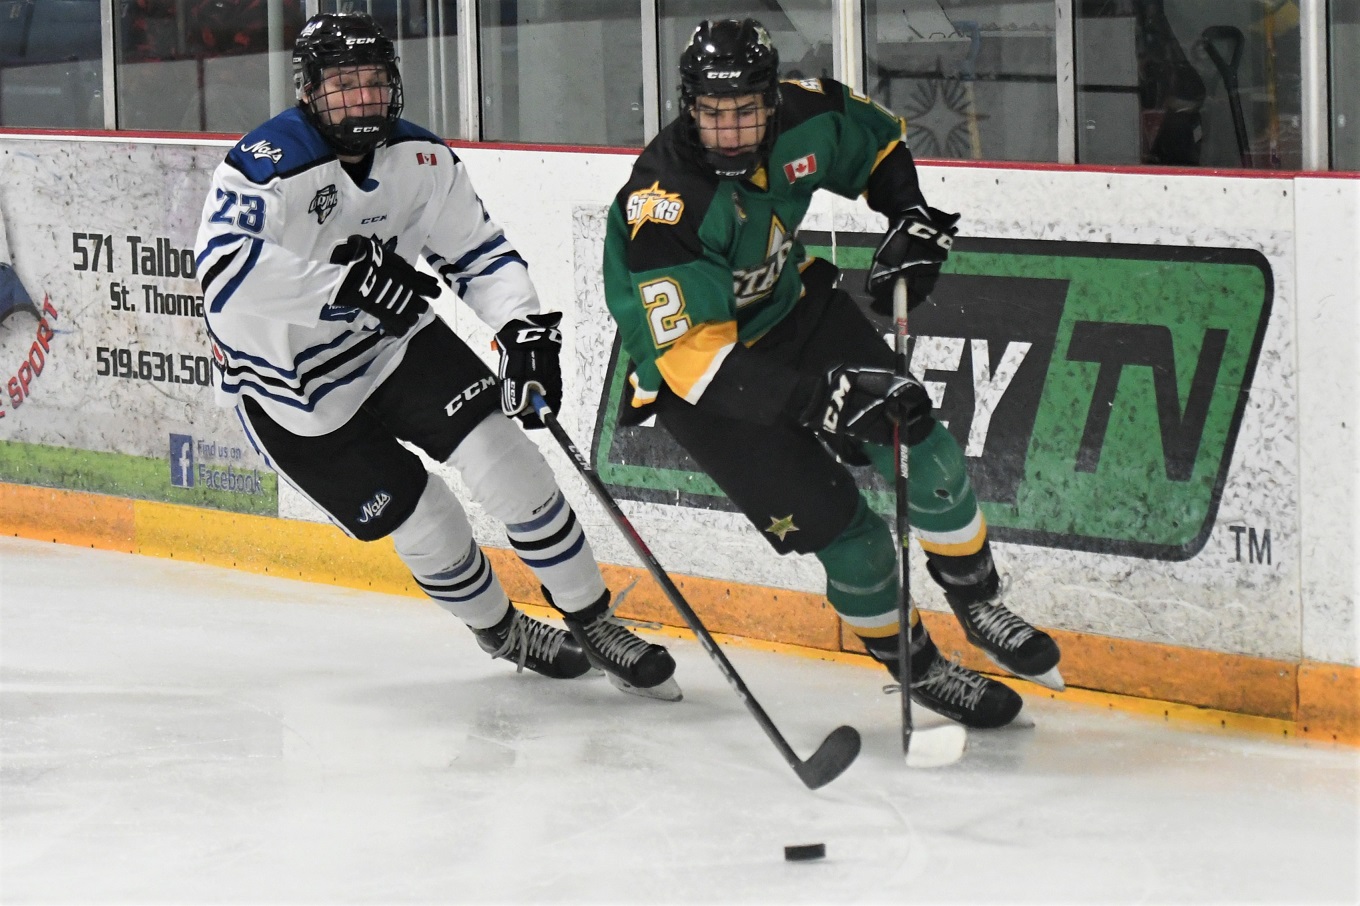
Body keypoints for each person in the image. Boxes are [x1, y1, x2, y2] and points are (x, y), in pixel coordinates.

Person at [194, 12, 679, 701]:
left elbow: (479, 253)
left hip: (393, 344)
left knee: (505, 460)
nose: (360, 99)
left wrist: (523, 330)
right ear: (307, 91)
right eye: (342, 85)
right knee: (427, 520)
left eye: (372, 82)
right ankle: (503, 631)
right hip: (289, 388)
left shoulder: (421, 159)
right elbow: (224, 279)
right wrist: (345, 286)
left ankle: (596, 621)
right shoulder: (265, 167)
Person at [602, 19, 1064, 728]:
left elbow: (875, 145)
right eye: (713, 116)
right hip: (708, 385)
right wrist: (820, 401)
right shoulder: (664, 204)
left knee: (920, 439)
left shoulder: (806, 114)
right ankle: (922, 669)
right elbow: (692, 357)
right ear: (688, 107)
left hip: (795, 314)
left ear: (771, 102)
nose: (729, 132)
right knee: (855, 541)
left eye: (746, 113)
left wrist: (907, 216)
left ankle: (978, 600)